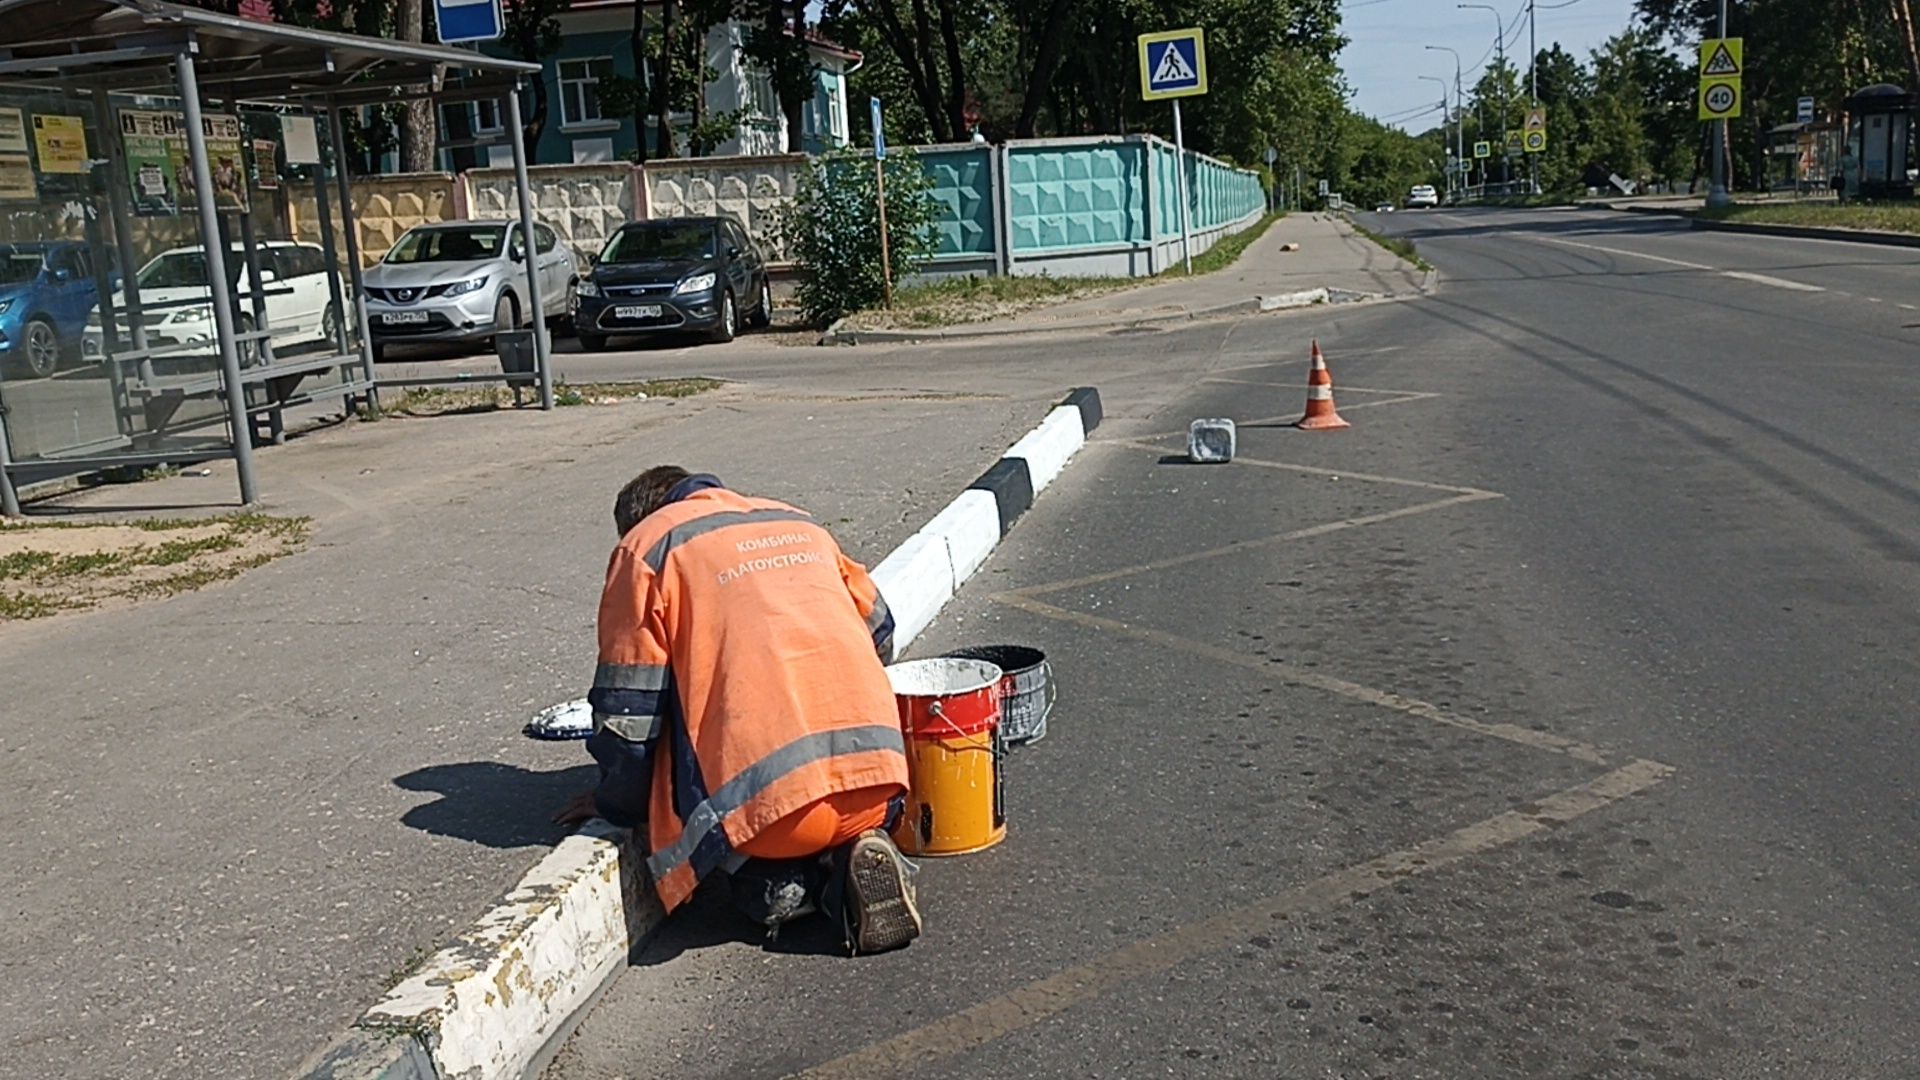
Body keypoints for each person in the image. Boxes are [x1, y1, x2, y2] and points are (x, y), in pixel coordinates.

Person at [553, 466, 922, 954]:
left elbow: (631, 716)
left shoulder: (646, 547)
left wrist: (616, 804)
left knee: (689, 762)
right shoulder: (799, 522)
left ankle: (786, 890)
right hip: (881, 787)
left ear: (640, 517)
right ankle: (853, 850)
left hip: (779, 822)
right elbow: (881, 634)